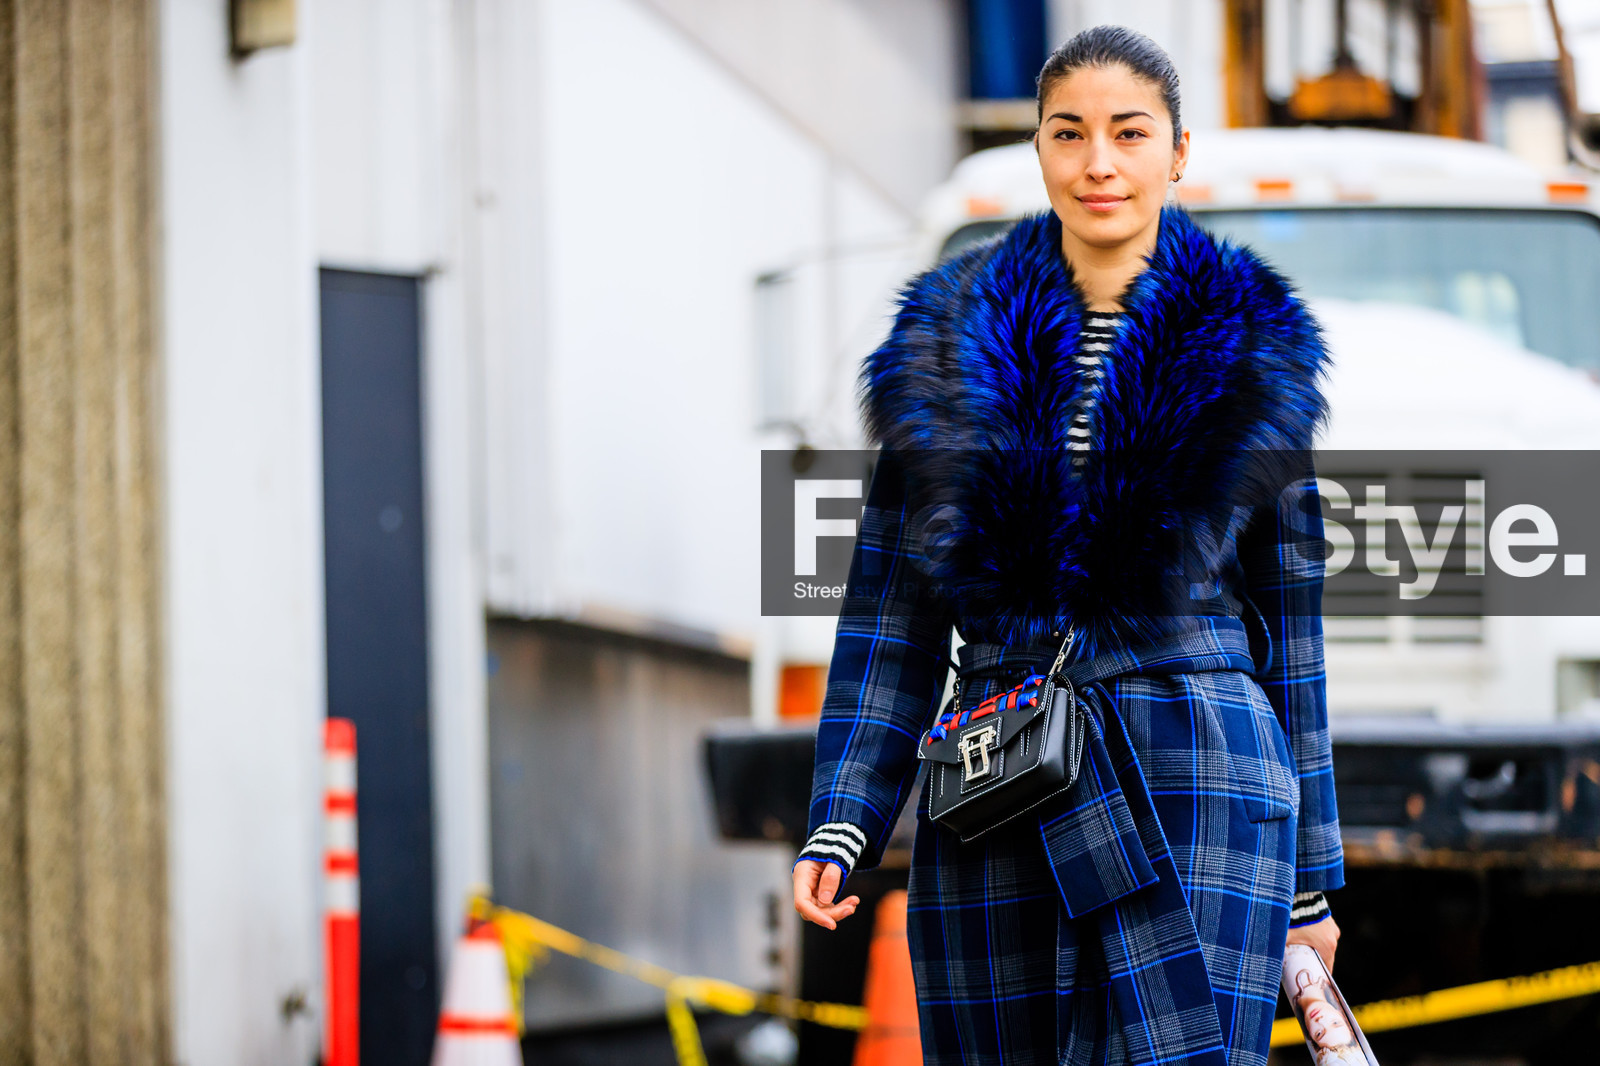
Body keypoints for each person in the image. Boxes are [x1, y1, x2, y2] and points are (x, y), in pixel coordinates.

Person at [791, 24, 1345, 1066]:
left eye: (1128, 133)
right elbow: (889, 615)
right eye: (1068, 132)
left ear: (1175, 152)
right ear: (1038, 149)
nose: (1098, 163)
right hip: (999, 773)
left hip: (1202, 776)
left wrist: (1311, 873)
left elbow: (1295, 634)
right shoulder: (940, 349)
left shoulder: (1256, 350)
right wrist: (844, 814)